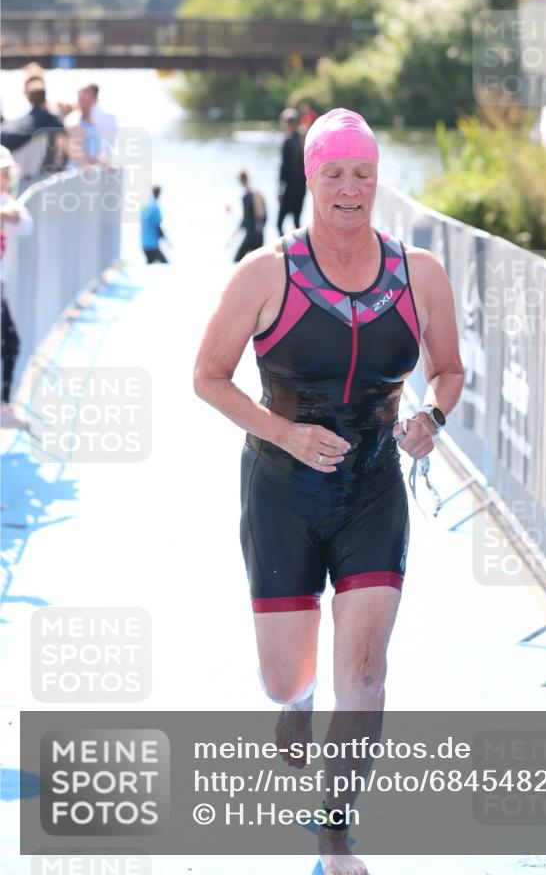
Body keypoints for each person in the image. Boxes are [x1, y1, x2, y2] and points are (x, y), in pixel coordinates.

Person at [193, 108, 464, 875]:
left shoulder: (418, 273)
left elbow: (448, 369)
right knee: (287, 673)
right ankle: (295, 699)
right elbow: (207, 376)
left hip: (372, 488)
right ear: (310, 178)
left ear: (378, 179)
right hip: (281, 489)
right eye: (334, 173)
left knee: (367, 673)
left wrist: (431, 417)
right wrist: (284, 434)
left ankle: (335, 830)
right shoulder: (265, 273)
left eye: (363, 174)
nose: (350, 188)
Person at [0, 145, 33, 431]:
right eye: (2, 172)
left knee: (11, 344)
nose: (6, 178)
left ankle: (3, 406)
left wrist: (11, 214)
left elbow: (25, 225)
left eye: (7, 172)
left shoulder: (6, 201)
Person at [0, 78, 66, 189]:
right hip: (39, 179)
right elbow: (63, 147)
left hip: (17, 179)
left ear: (29, 99)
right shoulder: (52, 120)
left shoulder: (14, 125)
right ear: (45, 97)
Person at [277, 107, 307, 235]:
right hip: (301, 188)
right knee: (297, 222)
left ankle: (286, 247)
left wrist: (280, 188)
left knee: (279, 224)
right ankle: (301, 247)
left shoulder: (288, 141)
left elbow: (284, 167)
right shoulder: (303, 140)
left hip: (290, 188)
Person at [228, 170, 266, 262]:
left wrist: (233, 236)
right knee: (256, 263)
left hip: (251, 236)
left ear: (241, 181)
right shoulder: (257, 193)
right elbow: (263, 216)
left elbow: (247, 219)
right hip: (259, 235)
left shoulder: (248, 196)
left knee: (237, 260)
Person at [141, 185, 169, 264]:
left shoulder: (145, 206)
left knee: (150, 262)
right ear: (159, 193)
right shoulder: (155, 207)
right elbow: (157, 225)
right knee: (165, 264)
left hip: (144, 243)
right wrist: (166, 239)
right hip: (152, 244)